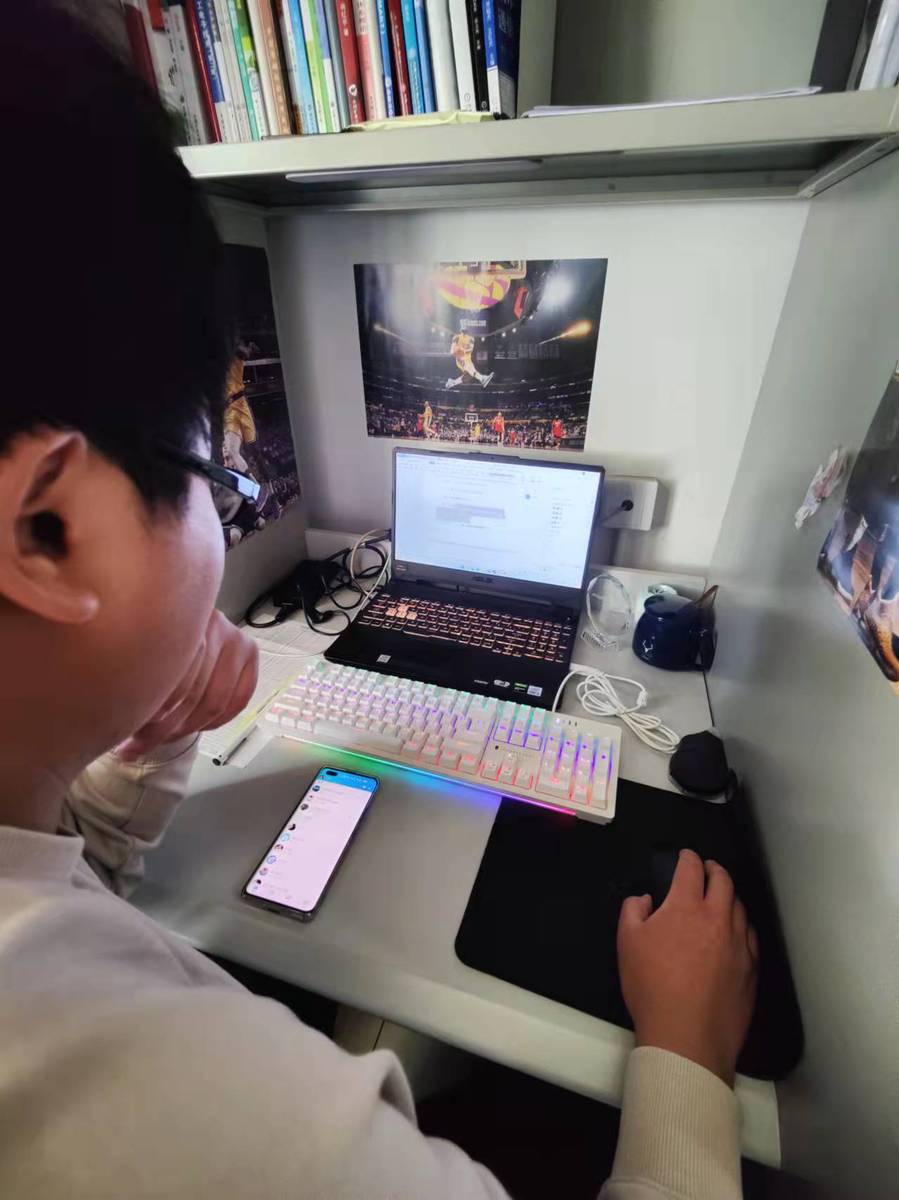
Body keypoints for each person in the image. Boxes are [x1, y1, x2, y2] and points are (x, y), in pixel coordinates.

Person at [0, 6, 758, 1199]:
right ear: (45, 532)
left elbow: (70, 880)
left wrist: (146, 736)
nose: (226, 503)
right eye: (213, 473)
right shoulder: (215, 1118)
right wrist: (685, 1056)